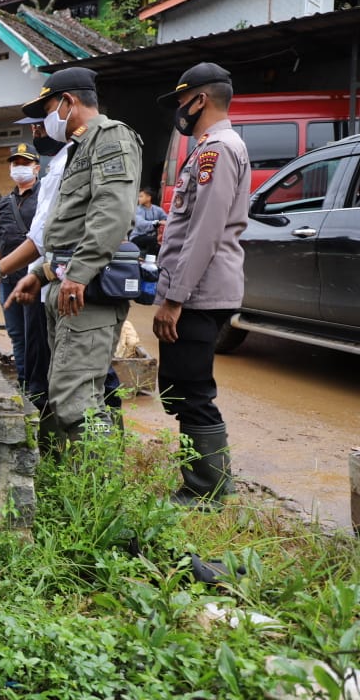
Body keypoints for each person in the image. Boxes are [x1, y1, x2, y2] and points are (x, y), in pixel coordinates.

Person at [5, 67, 142, 443]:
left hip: (88, 288)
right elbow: (67, 229)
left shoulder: (110, 137)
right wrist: (41, 274)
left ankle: (101, 468)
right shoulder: (78, 148)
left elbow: (112, 212)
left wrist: (78, 274)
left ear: (68, 102)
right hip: (65, 283)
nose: (46, 121)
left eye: (48, 109)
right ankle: (66, 466)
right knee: (63, 390)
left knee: (78, 399)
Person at [154, 62, 250, 506]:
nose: (179, 110)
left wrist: (174, 298)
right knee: (179, 386)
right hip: (194, 289)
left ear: (201, 100)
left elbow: (205, 231)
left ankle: (206, 490)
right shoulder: (209, 148)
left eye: (181, 101)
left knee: (193, 389)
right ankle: (204, 482)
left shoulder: (219, 150)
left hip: (199, 293)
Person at [0, 143, 41, 390]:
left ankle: (38, 387)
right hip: (8, 280)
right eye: (15, 163)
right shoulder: (4, 202)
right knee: (17, 335)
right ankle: (24, 383)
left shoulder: (44, 198)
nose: (19, 168)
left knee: (37, 336)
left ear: (37, 167)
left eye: (25, 163)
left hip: (35, 281)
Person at [130, 187, 167, 256]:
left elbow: (166, 219)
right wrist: (158, 222)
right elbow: (141, 224)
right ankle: (148, 259)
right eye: (139, 197)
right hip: (137, 237)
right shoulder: (137, 210)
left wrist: (161, 233)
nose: (139, 199)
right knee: (152, 240)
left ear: (148, 198)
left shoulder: (157, 209)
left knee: (162, 249)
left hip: (152, 238)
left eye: (141, 196)